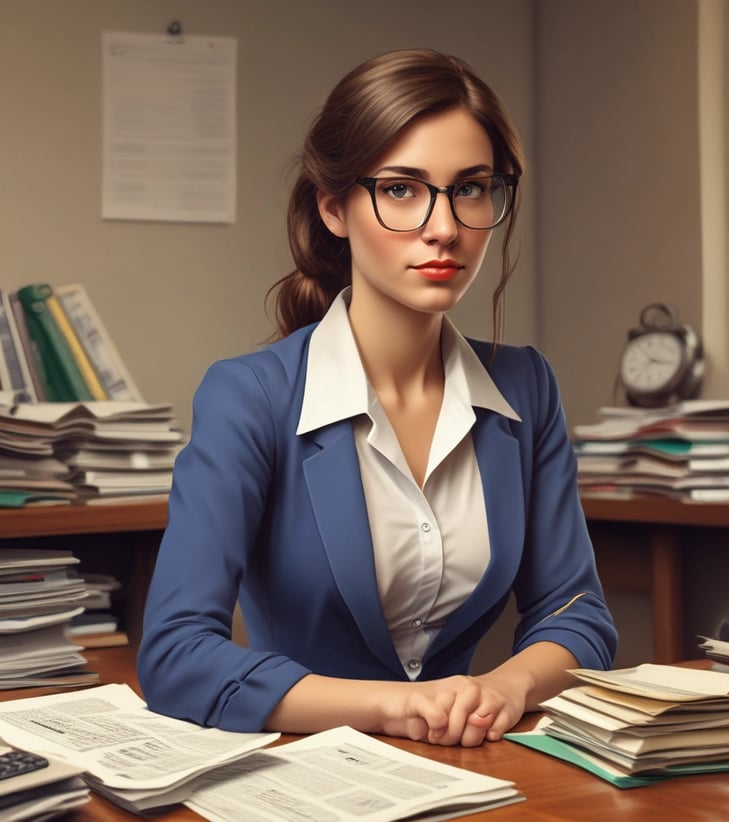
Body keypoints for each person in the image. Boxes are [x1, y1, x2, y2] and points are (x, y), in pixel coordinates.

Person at [137, 47, 617, 748]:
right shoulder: (251, 396)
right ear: (334, 207)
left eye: (471, 187)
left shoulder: (525, 385)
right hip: (299, 775)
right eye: (401, 189)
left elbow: (577, 615)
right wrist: (392, 707)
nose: (445, 226)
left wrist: (501, 687)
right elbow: (176, 655)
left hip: (469, 762)